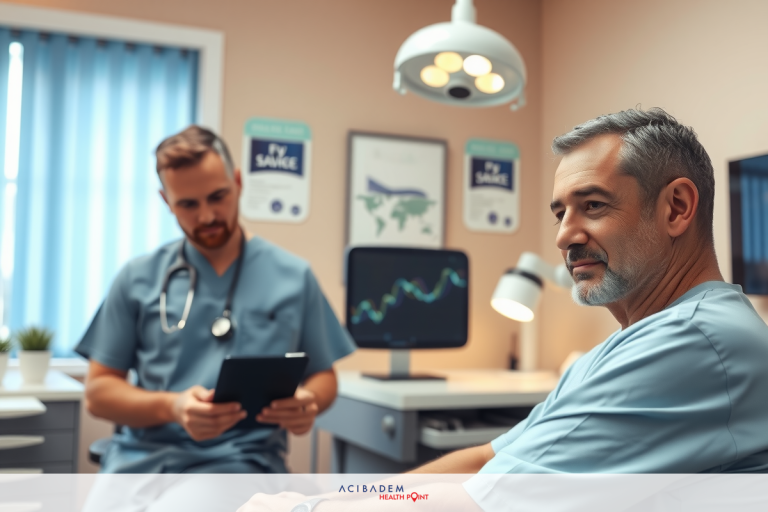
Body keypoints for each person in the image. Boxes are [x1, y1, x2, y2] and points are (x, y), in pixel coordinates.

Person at [239, 107, 768, 511]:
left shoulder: (697, 341)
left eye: (593, 205)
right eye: (560, 213)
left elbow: (483, 499)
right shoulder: (634, 343)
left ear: (677, 207)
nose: (563, 236)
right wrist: (335, 498)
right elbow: (485, 459)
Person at [76, 125, 356, 474]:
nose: (207, 216)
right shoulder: (137, 278)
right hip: (138, 462)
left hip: (242, 462)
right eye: (188, 204)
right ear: (166, 201)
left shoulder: (293, 276)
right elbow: (98, 392)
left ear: (238, 182)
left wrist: (307, 402)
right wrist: (173, 407)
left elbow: (324, 377)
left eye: (218, 196)